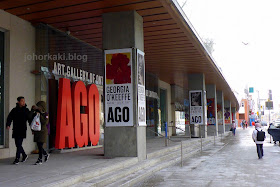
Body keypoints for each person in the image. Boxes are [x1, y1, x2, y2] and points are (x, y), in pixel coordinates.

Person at [6, 96, 30, 165]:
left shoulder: (26, 110)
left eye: (24, 101)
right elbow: (9, 117)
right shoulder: (14, 110)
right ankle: (24, 155)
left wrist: (33, 129)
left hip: (22, 129)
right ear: (18, 102)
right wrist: (8, 124)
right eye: (22, 101)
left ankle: (17, 158)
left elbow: (30, 120)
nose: (23, 102)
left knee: (19, 144)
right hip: (16, 129)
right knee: (17, 144)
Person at [29, 101, 50, 165]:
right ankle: (45, 154)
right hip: (36, 131)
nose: (38, 108)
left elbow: (44, 122)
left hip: (43, 131)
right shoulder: (35, 113)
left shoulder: (46, 114)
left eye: (39, 107)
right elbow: (30, 118)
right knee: (38, 145)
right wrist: (32, 110)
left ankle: (40, 159)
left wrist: (39, 115)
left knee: (40, 145)